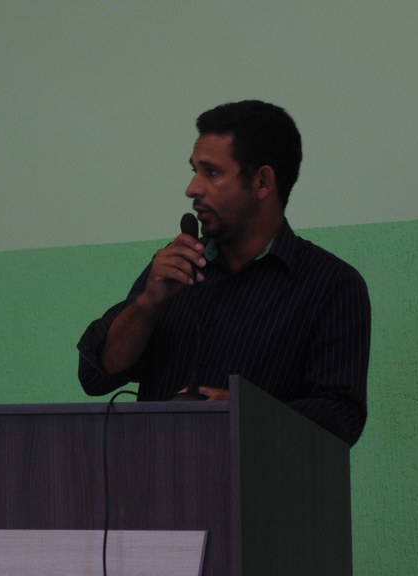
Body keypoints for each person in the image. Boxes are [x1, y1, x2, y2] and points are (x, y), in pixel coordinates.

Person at [77, 100, 371, 446]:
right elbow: (96, 376)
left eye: (211, 173)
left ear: (261, 182)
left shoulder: (331, 285)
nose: (192, 189)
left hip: (257, 479)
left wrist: (247, 413)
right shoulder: (176, 267)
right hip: (154, 472)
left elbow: (341, 416)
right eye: (194, 171)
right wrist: (146, 306)